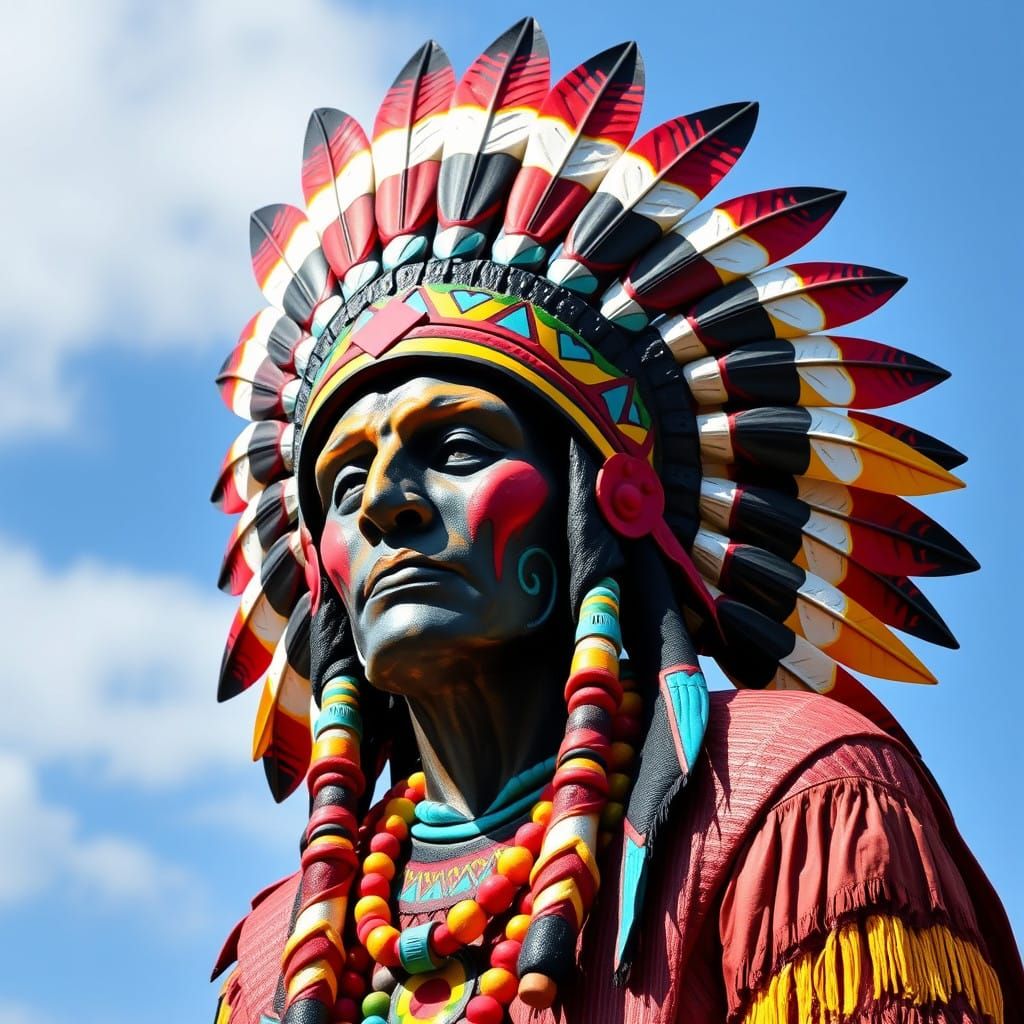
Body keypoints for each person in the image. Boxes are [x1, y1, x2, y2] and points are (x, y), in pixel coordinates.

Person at [208, 19, 1023, 1024]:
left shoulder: (796, 808)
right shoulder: (278, 962)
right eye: (341, 483)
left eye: (456, 447)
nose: (383, 503)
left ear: (607, 501)